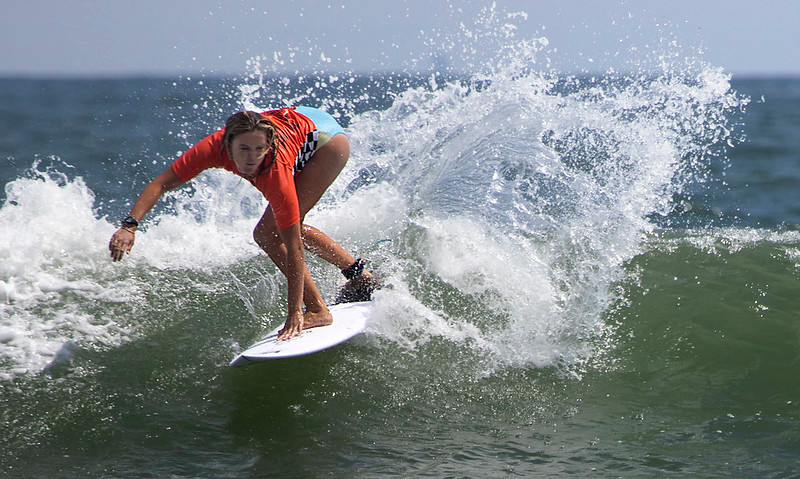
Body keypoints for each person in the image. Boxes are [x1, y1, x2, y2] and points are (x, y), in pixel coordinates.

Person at [108, 106, 378, 340]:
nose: (251, 158)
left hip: (327, 142)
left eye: (259, 149)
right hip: (303, 121)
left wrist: (295, 311)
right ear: (227, 145)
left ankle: (318, 310)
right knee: (278, 227)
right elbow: (161, 183)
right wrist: (129, 226)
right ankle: (360, 277)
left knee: (271, 232)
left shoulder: (276, 173)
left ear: (269, 144)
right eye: (244, 149)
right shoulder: (212, 148)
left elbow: (294, 249)